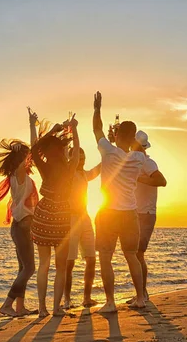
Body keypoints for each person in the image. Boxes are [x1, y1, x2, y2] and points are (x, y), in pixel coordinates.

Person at [92, 91, 147, 313]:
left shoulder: (107, 151)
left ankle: (110, 302)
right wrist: (128, 138)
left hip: (109, 212)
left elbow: (96, 129)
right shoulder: (139, 158)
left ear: (117, 136)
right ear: (133, 138)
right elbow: (139, 148)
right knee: (131, 255)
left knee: (105, 256)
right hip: (130, 212)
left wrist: (97, 109)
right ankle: (141, 298)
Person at [0, 108, 41, 317]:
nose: (29, 159)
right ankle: (7, 305)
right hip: (23, 225)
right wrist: (31, 125)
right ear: (21, 160)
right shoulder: (18, 174)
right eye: (25, 157)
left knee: (23, 268)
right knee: (29, 269)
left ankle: (19, 307)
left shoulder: (16, 175)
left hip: (20, 226)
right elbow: (34, 150)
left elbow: (32, 152)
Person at [31, 115, 80, 317]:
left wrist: (53, 131)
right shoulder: (69, 168)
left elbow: (34, 149)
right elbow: (77, 149)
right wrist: (74, 129)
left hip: (43, 213)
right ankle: (56, 308)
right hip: (60, 214)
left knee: (44, 264)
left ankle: (42, 308)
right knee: (61, 267)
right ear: (61, 150)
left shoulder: (44, 166)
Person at [128, 130, 167, 303]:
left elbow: (162, 181)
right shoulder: (136, 162)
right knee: (135, 254)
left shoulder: (148, 163)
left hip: (146, 214)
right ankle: (141, 293)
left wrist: (140, 179)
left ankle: (142, 294)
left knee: (138, 254)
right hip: (137, 212)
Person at [63, 148, 101, 309]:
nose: (82, 160)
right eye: (79, 157)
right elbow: (65, 161)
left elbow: (97, 170)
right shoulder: (67, 174)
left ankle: (87, 298)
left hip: (85, 218)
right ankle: (66, 300)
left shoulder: (85, 174)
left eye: (84, 157)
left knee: (91, 259)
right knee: (69, 262)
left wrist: (108, 153)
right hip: (70, 220)